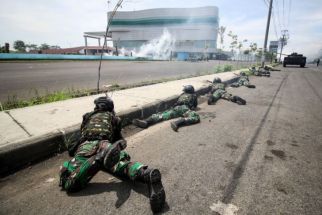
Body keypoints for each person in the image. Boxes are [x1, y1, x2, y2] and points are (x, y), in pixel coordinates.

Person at [59, 97, 165, 213]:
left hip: (87, 147)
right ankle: (146, 173)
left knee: (68, 183)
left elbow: (81, 134)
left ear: (96, 106)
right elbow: (118, 140)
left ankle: (98, 159)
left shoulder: (87, 116)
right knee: (122, 166)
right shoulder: (115, 119)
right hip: (107, 145)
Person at [132, 85, 200, 132]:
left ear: (185, 90)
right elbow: (195, 105)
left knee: (162, 115)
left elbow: (177, 102)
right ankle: (177, 123)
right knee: (195, 116)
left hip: (176, 108)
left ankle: (146, 121)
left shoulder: (182, 95)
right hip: (184, 108)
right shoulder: (193, 95)